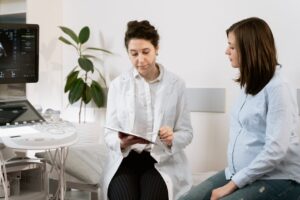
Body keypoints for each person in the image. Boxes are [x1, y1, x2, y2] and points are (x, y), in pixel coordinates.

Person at [179, 17, 300, 200]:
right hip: (240, 173)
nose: (227, 51)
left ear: (250, 49)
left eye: (232, 47)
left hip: (277, 177)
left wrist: (232, 186)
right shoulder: (249, 84)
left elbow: (276, 150)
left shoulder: (278, 88)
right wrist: (234, 178)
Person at [102, 20, 193, 200]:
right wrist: (122, 142)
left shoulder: (176, 85)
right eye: (133, 54)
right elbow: (108, 134)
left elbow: (187, 133)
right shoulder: (118, 86)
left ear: (156, 48)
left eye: (146, 52)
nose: (140, 60)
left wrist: (172, 137)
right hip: (125, 160)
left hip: (160, 161)